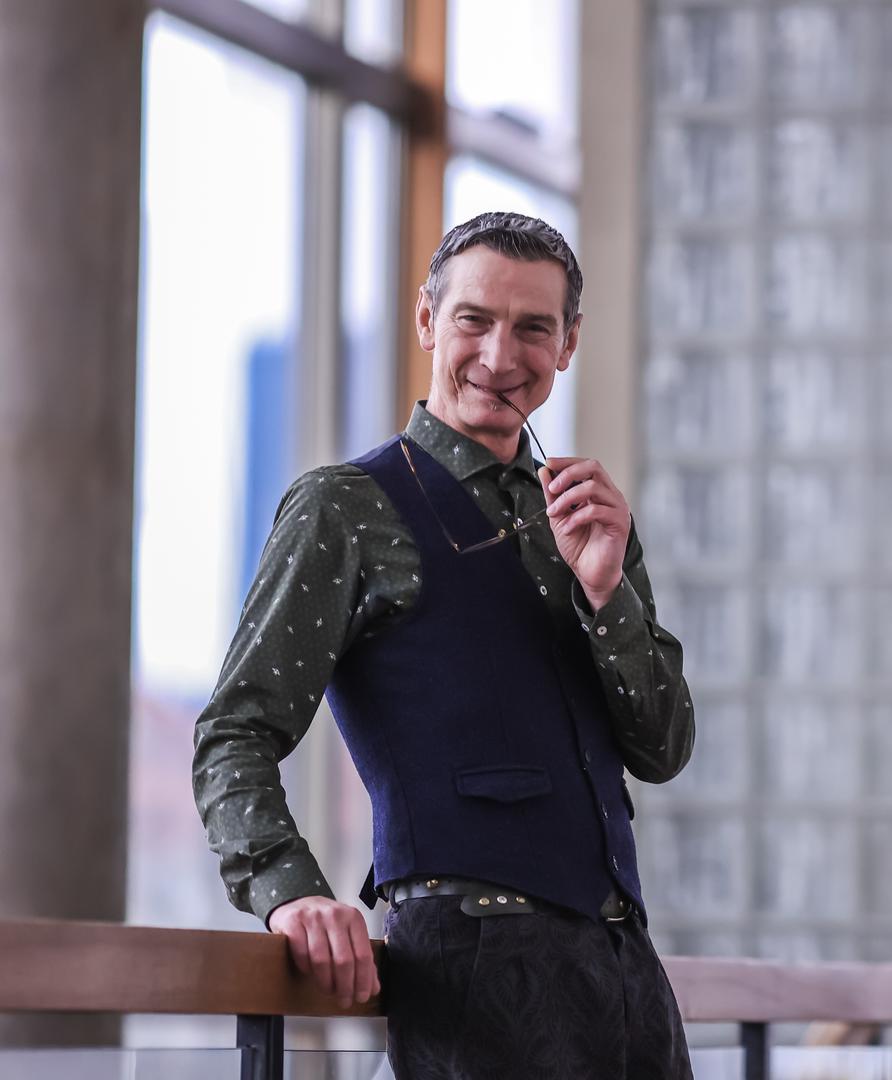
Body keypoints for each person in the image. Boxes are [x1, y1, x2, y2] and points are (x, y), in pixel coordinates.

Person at [192, 211, 696, 1078]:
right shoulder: (344, 507)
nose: (500, 357)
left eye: (533, 328)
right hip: (469, 972)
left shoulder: (586, 518)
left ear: (569, 342)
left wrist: (606, 592)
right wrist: (290, 892)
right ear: (428, 320)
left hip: (627, 974)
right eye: (474, 320)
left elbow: (663, 748)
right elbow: (233, 733)